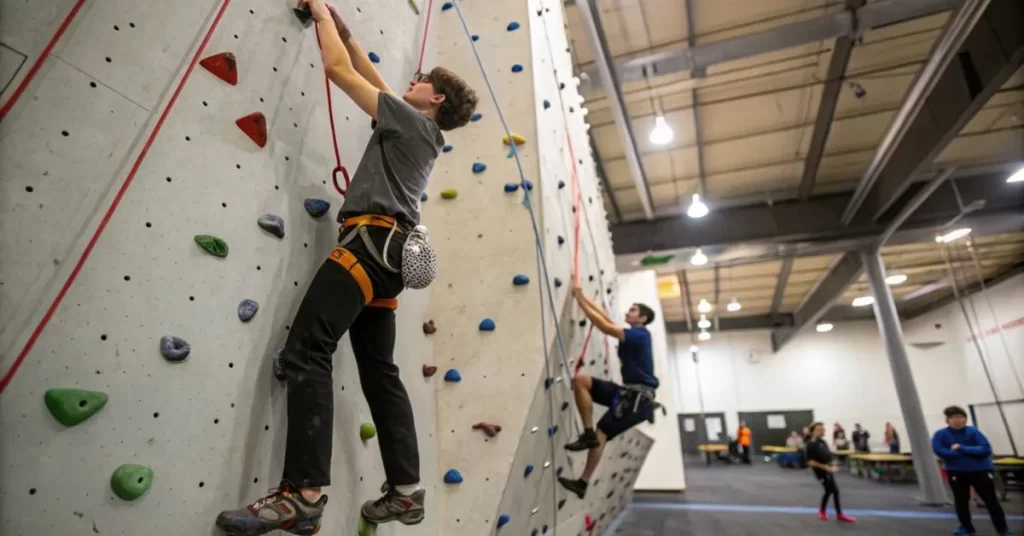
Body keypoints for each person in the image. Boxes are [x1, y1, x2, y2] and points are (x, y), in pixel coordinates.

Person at [215, 1, 478, 534]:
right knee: (381, 375)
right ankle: (407, 492)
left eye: (423, 78)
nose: (414, 78)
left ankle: (303, 494)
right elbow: (369, 77)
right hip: (389, 260)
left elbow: (338, 74)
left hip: (367, 245)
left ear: (436, 98)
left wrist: (319, 15)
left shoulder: (409, 122)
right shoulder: (422, 131)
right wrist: (349, 36)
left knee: (307, 351)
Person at [557, 288, 660, 499]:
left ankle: (582, 482)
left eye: (633, 310)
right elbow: (606, 318)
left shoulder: (640, 335)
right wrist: (581, 296)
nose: (628, 312)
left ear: (643, 318)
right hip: (628, 392)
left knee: (602, 431)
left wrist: (580, 301)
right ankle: (587, 435)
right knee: (581, 381)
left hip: (638, 399)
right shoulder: (634, 334)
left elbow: (604, 326)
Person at [931, 405, 1011, 536]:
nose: (957, 420)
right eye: (953, 418)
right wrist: (962, 453)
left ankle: (1003, 530)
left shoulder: (973, 432)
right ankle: (966, 527)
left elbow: (985, 449)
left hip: (980, 471)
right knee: (961, 501)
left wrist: (962, 449)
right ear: (947, 420)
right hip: (957, 472)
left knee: (991, 501)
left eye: (960, 417)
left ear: (965, 419)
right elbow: (939, 451)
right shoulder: (940, 434)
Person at [805, 422, 857, 523]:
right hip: (820, 472)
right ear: (813, 432)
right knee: (831, 490)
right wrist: (825, 467)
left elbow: (828, 456)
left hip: (828, 470)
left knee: (833, 491)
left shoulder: (823, 442)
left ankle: (837, 514)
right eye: (819, 429)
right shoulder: (810, 444)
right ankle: (827, 512)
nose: (822, 431)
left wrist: (832, 464)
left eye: (823, 429)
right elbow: (810, 462)